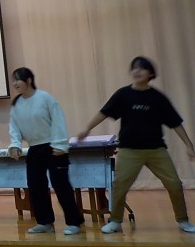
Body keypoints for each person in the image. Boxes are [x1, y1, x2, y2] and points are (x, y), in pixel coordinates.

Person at [78, 56, 195, 234]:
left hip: (156, 150)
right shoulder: (123, 95)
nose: (137, 71)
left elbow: (175, 122)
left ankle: (183, 221)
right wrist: (87, 128)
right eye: (134, 68)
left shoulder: (158, 98)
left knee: (174, 184)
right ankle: (115, 221)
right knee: (120, 185)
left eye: (142, 68)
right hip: (129, 150)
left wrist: (188, 145)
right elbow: (104, 112)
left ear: (151, 74)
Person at [7, 67, 84, 235]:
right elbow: (14, 127)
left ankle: (74, 222)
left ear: (28, 80)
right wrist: (15, 145)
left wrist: (60, 145)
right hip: (34, 148)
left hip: (53, 147)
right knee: (35, 186)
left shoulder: (45, 98)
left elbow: (58, 121)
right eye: (13, 80)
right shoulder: (16, 104)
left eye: (17, 79)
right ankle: (45, 222)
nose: (14, 83)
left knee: (61, 186)